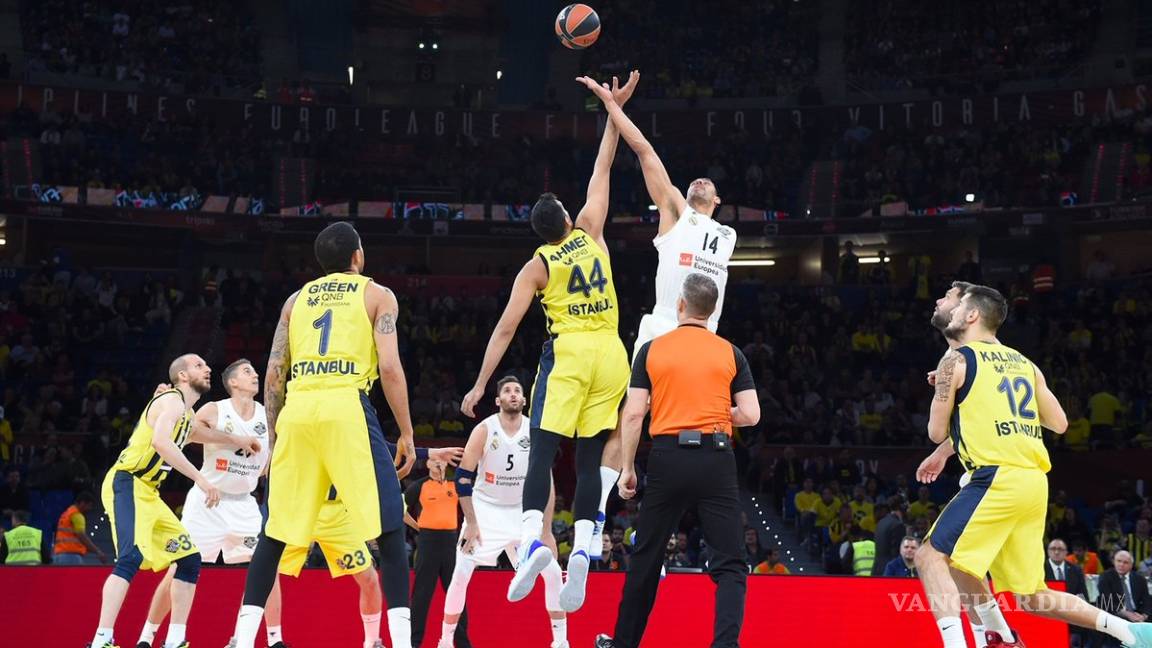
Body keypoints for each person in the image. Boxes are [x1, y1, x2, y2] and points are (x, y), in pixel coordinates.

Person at [459, 73, 638, 613]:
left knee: (542, 454)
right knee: (588, 461)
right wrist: (612, 108)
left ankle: (536, 543)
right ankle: (583, 548)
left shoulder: (536, 266)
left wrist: (480, 384)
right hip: (612, 353)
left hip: (569, 355)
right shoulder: (590, 230)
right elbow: (603, 166)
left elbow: (507, 328)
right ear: (565, 217)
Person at [915, 286, 1152, 648]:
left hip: (995, 476)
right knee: (1027, 594)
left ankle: (967, 642)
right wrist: (953, 442)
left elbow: (934, 431)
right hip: (1032, 483)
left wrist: (946, 391)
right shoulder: (1024, 363)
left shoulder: (956, 360)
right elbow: (1058, 423)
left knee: (930, 556)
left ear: (972, 315)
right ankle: (1129, 631)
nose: (943, 302)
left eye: (954, 300)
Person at [232, 221, 419, 648]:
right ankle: (403, 641)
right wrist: (406, 432)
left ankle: (243, 640)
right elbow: (389, 368)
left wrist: (277, 433)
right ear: (358, 256)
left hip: (297, 410)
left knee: (274, 533)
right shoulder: (377, 294)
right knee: (390, 526)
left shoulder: (295, 301)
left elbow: (275, 372)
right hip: (345, 405)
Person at [575, 70, 738, 555]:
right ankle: (598, 513)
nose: (700, 179)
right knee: (631, 412)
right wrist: (613, 107)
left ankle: (700, 522)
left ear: (718, 201)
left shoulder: (726, 237)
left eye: (708, 182)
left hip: (706, 336)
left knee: (710, 422)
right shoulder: (674, 213)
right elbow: (644, 150)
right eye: (695, 180)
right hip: (667, 324)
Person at [595, 273, 759, 648]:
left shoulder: (651, 349)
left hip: (668, 457)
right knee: (731, 564)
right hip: (717, 459)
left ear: (680, 305)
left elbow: (633, 414)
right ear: (712, 309)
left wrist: (628, 468)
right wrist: (718, 411)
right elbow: (751, 415)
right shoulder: (731, 351)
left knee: (647, 558)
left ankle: (623, 644)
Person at [90, 354, 259, 648]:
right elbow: (161, 442)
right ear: (182, 375)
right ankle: (101, 640)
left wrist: (238, 441)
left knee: (190, 559)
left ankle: (175, 639)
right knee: (130, 558)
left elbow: (200, 433)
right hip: (128, 481)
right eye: (199, 366)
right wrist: (201, 479)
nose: (207, 369)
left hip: (149, 492)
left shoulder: (185, 412)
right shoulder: (171, 400)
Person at [137, 359, 280, 648]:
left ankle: (255, 638)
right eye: (247, 372)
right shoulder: (215, 409)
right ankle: (148, 636)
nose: (255, 376)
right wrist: (233, 439)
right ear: (233, 382)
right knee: (180, 567)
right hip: (208, 501)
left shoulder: (268, 416)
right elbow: (186, 433)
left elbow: (271, 457)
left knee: (266, 569)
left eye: (254, 371)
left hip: (245, 503)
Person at [442, 375, 568, 648]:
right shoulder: (485, 429)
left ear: (524, 399)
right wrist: (472, 523)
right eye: (507, 391)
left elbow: (546, 482)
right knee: (461, 573)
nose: (513, 394)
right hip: (485, 509)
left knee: (554, 573)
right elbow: (462, 478)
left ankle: (560, 641)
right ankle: (445, 640)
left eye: (517, 391)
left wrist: (546, 531)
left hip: (523, 512)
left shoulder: (535, 432)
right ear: (498, 400)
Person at [406, 458, 472, 648]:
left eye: (442, 462)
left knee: (456, 593)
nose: (439, 464)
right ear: (427, 465)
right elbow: (400, 507)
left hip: (451, 543)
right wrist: (418, 527)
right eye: (434, 461)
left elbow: (471, 505)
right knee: (421, 595)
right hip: (427, 543)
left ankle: (462, 643)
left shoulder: (455, 485)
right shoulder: (419, 486)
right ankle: (413, 643)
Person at [1098, 550, 1152, 647]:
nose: (1121, 565)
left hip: (1138, 615)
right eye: (1119, 561)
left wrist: (1143, 615)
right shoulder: (1105, 577)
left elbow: (1147, 601)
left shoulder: (1139, 579)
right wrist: (1128, 614)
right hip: (1116, 615)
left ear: (1131, 565)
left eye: (1125, 562)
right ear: (1114, 562)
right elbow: (1106, 602)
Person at [53, 490, 107, 565]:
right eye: (89, 505)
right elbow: (82, 536)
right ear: (82, 503)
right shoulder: (77, 516)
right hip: (71, 556)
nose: (90, 509)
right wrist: (98, 551)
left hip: (59, 556)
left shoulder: (67, 513)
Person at [872, 497, 907, 576]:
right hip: (889, 571)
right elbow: (897, 552)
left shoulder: (880, 522)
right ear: (901, 509)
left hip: (876, 569)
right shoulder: (898, 525)